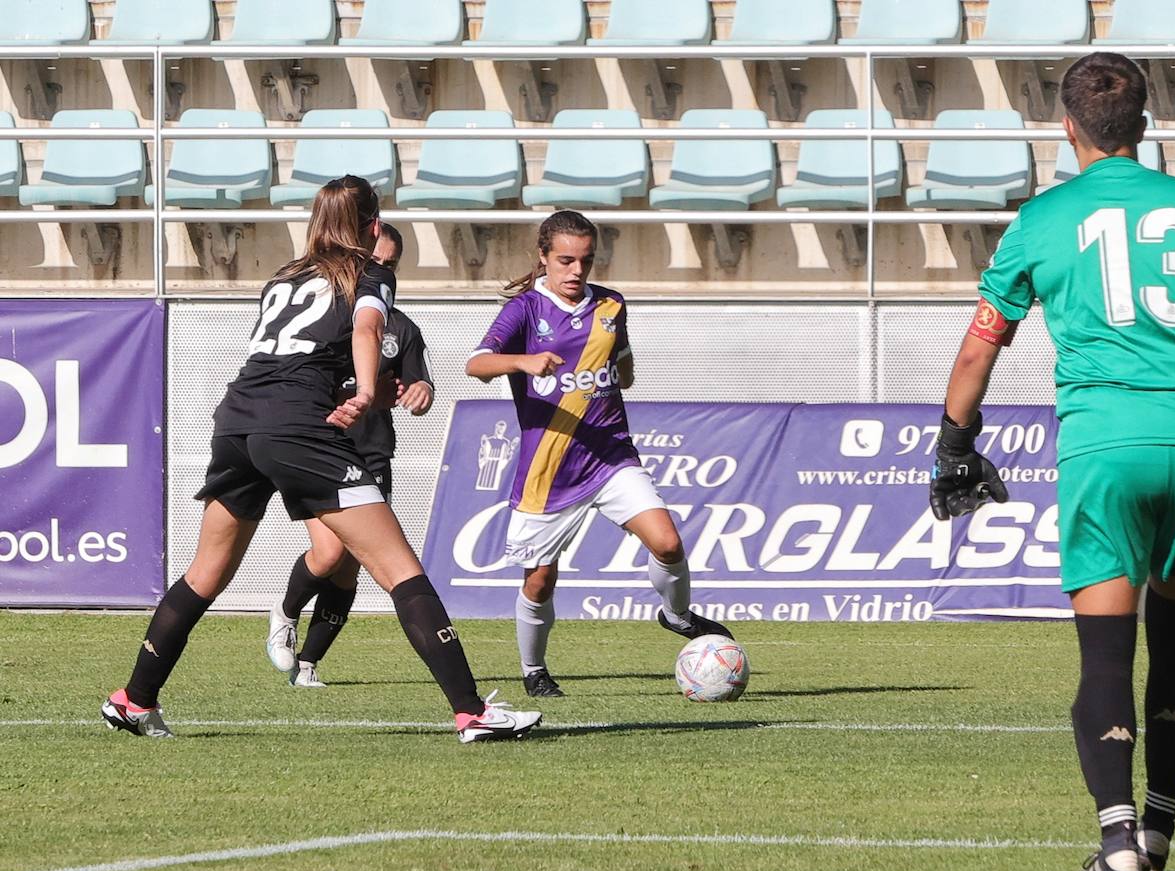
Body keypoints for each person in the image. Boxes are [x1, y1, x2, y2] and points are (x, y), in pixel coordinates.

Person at [928, 54, 1175, 871]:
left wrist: (954, 445)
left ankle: (1117, 843)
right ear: (1144, 126)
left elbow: (977, 349)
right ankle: (1163, 831)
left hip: (1109, 439)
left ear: (1065, 128)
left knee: (1106, 652)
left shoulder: (1041, 219)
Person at [101, 177, 540, 743]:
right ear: (374, 227)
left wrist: (366, 390)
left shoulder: (284, 275)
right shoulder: (370, 271)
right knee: (398, 568)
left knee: (205, 572)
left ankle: (134, 700)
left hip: (236, 418)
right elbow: (366, 326)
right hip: (296, 426)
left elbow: (298, 356)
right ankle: (472, 712)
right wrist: (362, 390)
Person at [466, 210, 732, 698]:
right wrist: (523, 361)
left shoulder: (611, 305)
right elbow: (476, 363)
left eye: (585, 261)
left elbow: (622, 367)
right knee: (541, 581)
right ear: (543, 257)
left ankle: (676, 615)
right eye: (565, 260)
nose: (575, 271)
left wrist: (614, 373)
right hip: (549, 469)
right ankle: (533, 669)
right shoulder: (525, 311)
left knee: (668, 543)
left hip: (610, 457)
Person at [266, 223, 437, 688]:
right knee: (330, 552)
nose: (378, 271)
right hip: (319, 449)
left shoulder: (401, 329)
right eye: (372, 261)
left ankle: (308, 663)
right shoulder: (324, 314)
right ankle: (283, 611)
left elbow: (418, 383)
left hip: (372, 455)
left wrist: (420, 391)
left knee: (350, 566)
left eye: (388, 265)